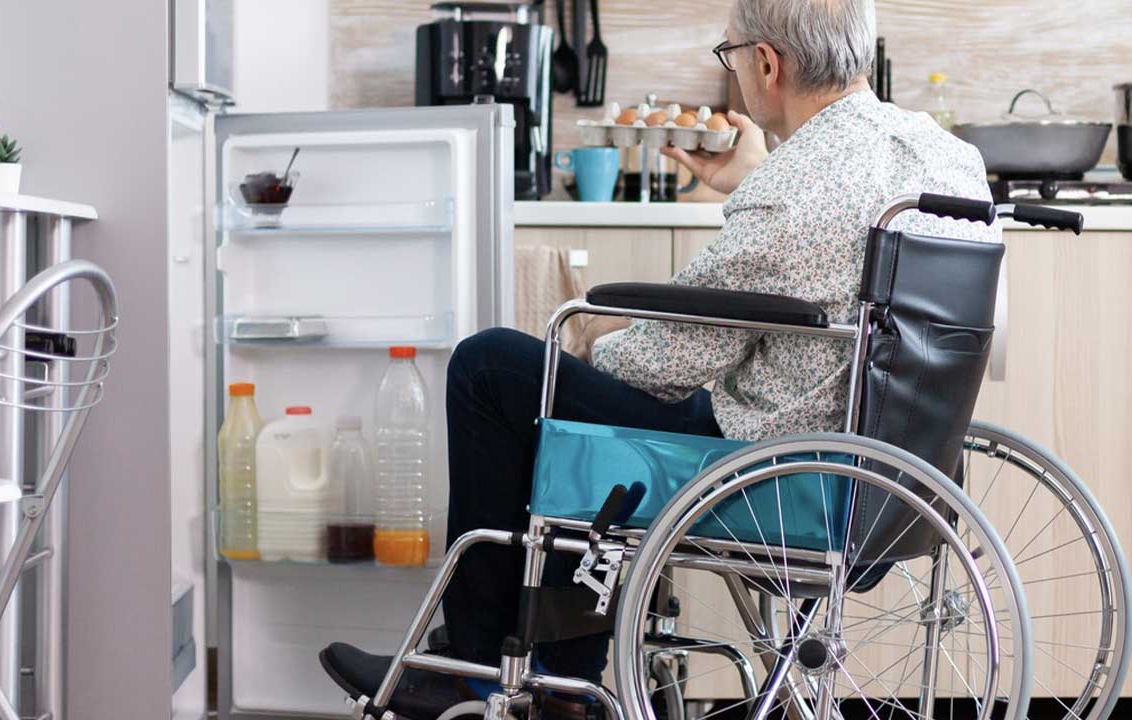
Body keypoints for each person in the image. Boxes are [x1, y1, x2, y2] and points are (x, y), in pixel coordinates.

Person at [319, 0, 994, 715]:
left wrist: (586, 340)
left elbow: (660, 366)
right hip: (892, 477)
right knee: (568, 413)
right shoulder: (944, 154)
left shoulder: (795, 187)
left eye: (729, 54)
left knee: (497, 370)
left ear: (767, 62)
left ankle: (477, 661)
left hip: (775, 474)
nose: (733, 69)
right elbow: (835, 244)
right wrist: (751, 179)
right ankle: (559, 676)